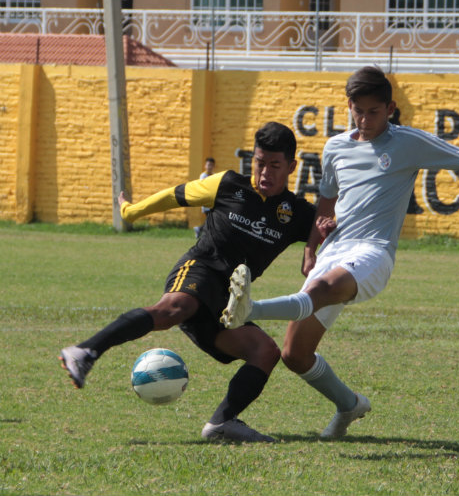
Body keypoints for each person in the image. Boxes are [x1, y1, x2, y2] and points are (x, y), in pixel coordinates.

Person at [219, 66, 459, 438]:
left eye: (374, 111)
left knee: (320, 290)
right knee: (295, 354)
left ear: (390, 108)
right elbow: (327, 197)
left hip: (373, 253)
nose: (365, 118)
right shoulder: (335, 147)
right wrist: (312, 246)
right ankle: (349, 405)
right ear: (349, 106)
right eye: (358, 110)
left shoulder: (408, 143)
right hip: (334, 250)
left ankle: (250, 309)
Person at [59, 122, 315, 442]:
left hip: (228, 303)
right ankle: (84, 352)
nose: (264, 172)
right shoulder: (227, 184)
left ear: (291, 166)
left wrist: (311, 247)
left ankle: (222, 424)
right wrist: (131, 212)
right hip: (199, 269)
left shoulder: (296, 213)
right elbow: (174, 196)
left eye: (274, 166)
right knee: (174, 308)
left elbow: (326, 228)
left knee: (265, 351)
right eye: (259, 163)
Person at [194, 157, 216, 239]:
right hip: (206, 201)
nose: (209, 167)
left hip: (213, 201)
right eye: (208, 165)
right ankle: (201, 230)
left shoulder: (214, 176)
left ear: (214, 166)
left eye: (211, 165)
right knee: (210, 219)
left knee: (211, 219)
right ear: (205, 166)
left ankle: (200, 229)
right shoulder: (203, 176)